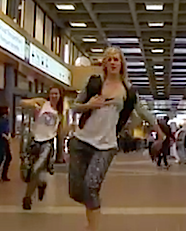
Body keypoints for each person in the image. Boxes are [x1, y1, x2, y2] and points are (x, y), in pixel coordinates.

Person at [70, 47, 164, 231]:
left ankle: (93, 227)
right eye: (110, 59)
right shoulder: (94, 83)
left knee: (90, 186)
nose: (113, 62)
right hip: (81, 141)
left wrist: (159, 131)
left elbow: (143, 111)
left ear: (121, 64)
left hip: (106, 145)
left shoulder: (127, 91)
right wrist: (89, 105)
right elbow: (75, 107)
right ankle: (93, 207)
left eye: (116, 59)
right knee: (75, 191)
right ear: (104, 63)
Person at [20, 86, 63, 210]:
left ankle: (27, 198)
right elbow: (22, 102)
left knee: (36, 169)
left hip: (47, 143)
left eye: (57, 94)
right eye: (52, 93)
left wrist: (59, 154)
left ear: (60, 96)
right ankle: (41, 183)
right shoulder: (43, 103)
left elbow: (59, 132)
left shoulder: (59, 112)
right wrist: (32, 105)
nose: (54, 96)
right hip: (34, 141)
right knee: (27, 173)